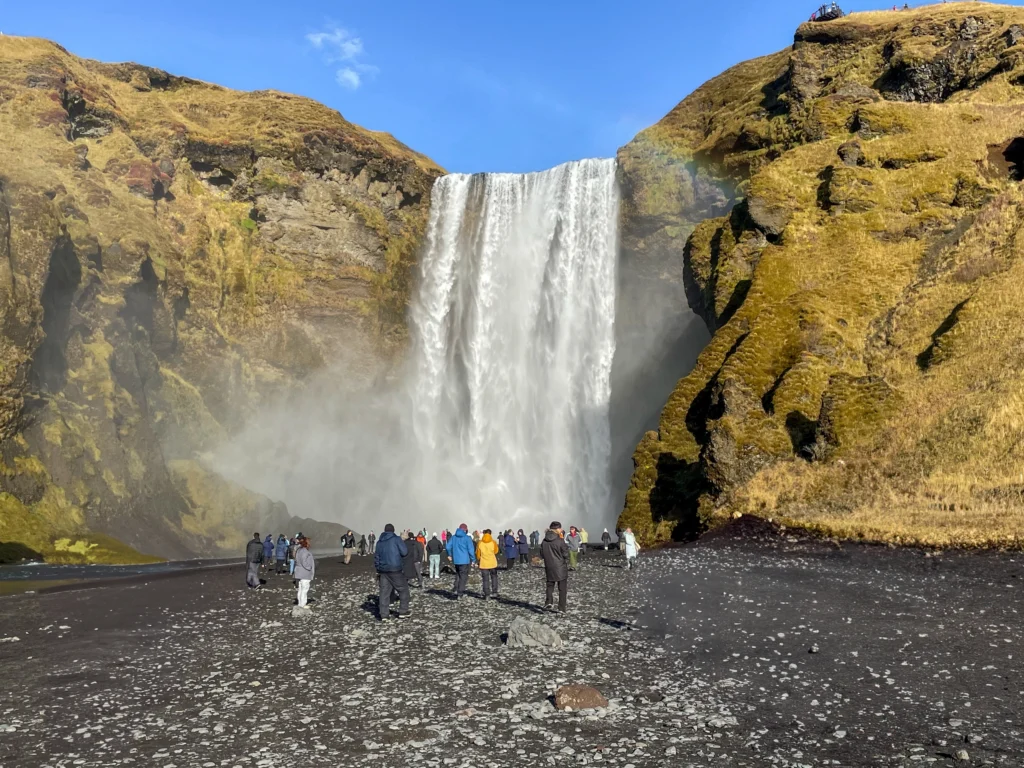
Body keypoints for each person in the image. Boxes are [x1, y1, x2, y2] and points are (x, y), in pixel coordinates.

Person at [374, 523, 409, 620]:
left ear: (384, 531)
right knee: (403, 589)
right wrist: (402, 541)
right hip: (395, 570)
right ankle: (403, 611)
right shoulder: (396, 539)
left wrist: (378, 570)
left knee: (384, 593)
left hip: (383, 571)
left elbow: (376, 558)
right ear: (393, 531)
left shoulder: (379, 542)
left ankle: (384, 615)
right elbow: (404, 552)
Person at [541, 521, 569, 613]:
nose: (561, 530)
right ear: (557, 529)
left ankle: (548, 602)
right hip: (560, 567)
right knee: (562, 589)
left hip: (549, 566)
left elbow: (542, 554)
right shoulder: (559, 540)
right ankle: (561, 608)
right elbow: (565, 554)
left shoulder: (544, 541)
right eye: (560, 528)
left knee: (550, 585)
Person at [446, 523, 477, 599]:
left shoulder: (453, 537)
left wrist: (449, 554)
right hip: (465, 561)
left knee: (458, 575)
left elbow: (447, 547)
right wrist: (473, 559)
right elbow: (471, 550)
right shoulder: (467, 538)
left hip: (456, 560)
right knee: (463, 577)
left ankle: (456, 588)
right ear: (465, 530)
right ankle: (460, 593)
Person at [476, 528, 500, 599]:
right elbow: (496, 551)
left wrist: (480, 559)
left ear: (484, 534)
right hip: (492, 563)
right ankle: (494, 592)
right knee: (494, 577)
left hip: (484, 564)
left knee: (485, 579)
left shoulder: (480, 543)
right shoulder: (493, 542)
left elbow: (478, 554)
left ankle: (487, 594)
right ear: (490, 534)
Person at [293, 536, 315, 608]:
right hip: (304, 573)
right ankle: (302, 604)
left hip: (299, 572)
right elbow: (304, 562)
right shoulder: (305, 551)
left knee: (300, 589)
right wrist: (310, 567)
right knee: (304, 589)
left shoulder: (299, 550)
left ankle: (300, 603)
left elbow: (297, 560)